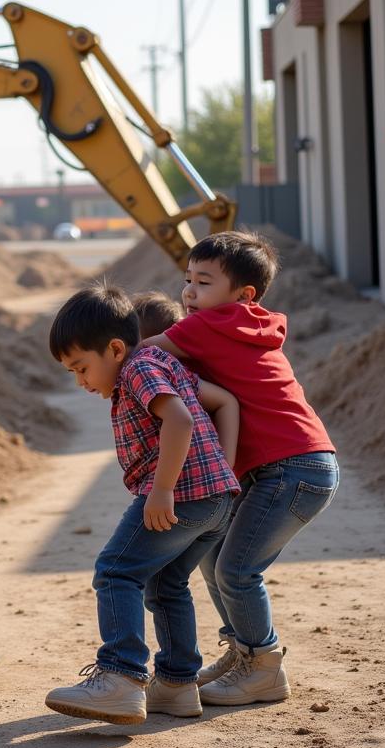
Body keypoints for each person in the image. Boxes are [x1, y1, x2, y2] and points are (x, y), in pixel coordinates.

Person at [142, 230, 339, 706]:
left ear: (243, 295)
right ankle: (243, 653)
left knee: (236, 569)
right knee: (215, 561)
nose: (189, 292)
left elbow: (142, 353)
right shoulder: (246, 323)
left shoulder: (211, 324)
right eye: (187, 279)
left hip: (292, 470)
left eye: (203, 282)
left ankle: (264, 667)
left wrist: (105, 349)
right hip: (299, 467)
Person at [45, 284, 240, 725]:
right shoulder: (163, 364)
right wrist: (220, 477)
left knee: (116, 571)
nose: (81, 382)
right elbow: (221, 401)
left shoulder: (137, 369)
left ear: (115, 348)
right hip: (213, 501)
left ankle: (121, 677)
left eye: (81, 368)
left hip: (181, 495)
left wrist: (163, 489)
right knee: (166, 584)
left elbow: (180, 419)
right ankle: (176, 685)